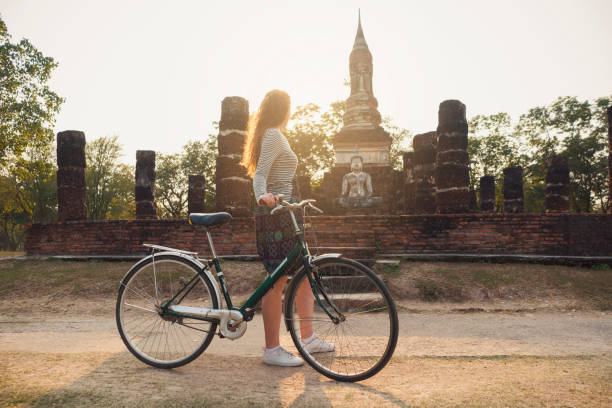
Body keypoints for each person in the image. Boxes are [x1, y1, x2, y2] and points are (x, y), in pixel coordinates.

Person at [240, 89, 334, 367]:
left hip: (288, 212)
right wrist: (262, 196)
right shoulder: (272, 134)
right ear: (285, 108)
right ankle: (272, 349)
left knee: (305, 276)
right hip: (276, 214)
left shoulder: (274, 134)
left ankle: (308, 338)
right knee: (277, 280)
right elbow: (260, 175)